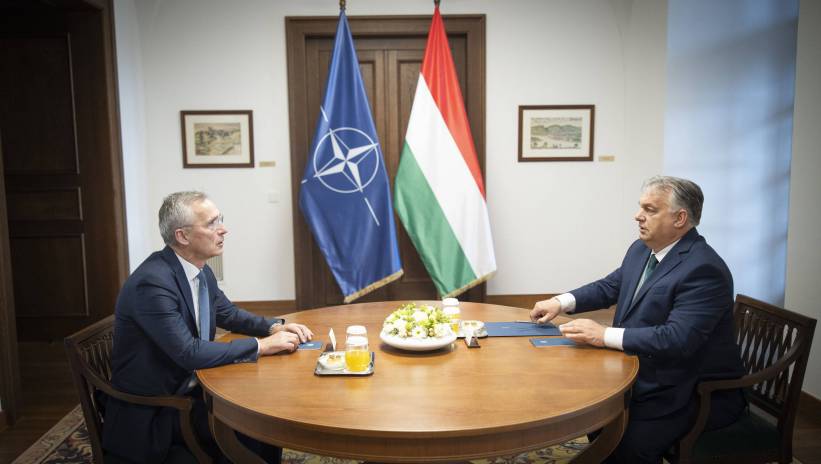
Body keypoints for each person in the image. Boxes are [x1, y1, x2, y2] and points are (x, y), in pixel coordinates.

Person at [530, 176, 746, 464]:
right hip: (646, 372)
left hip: (689, 392)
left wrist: (603, 335)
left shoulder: (704, 269)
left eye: (650, 209)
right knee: (597, 421)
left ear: (680, 218)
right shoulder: (642, 248)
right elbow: (610, 286)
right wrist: (560, 302)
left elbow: (678, 339)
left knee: (623, 444)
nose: (637, 215)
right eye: (640, 207)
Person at [103, 191, 313, 463]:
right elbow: (188, 353)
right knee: (254, 425)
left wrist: (274, 327)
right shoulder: (152, 283)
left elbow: (228, 313)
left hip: (190, 390)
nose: (223, 229)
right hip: (158, 413)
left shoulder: (199, 269)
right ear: (183, 236)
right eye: (212, 223)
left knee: (265, 417)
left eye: (220, 219)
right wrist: (261, 346)